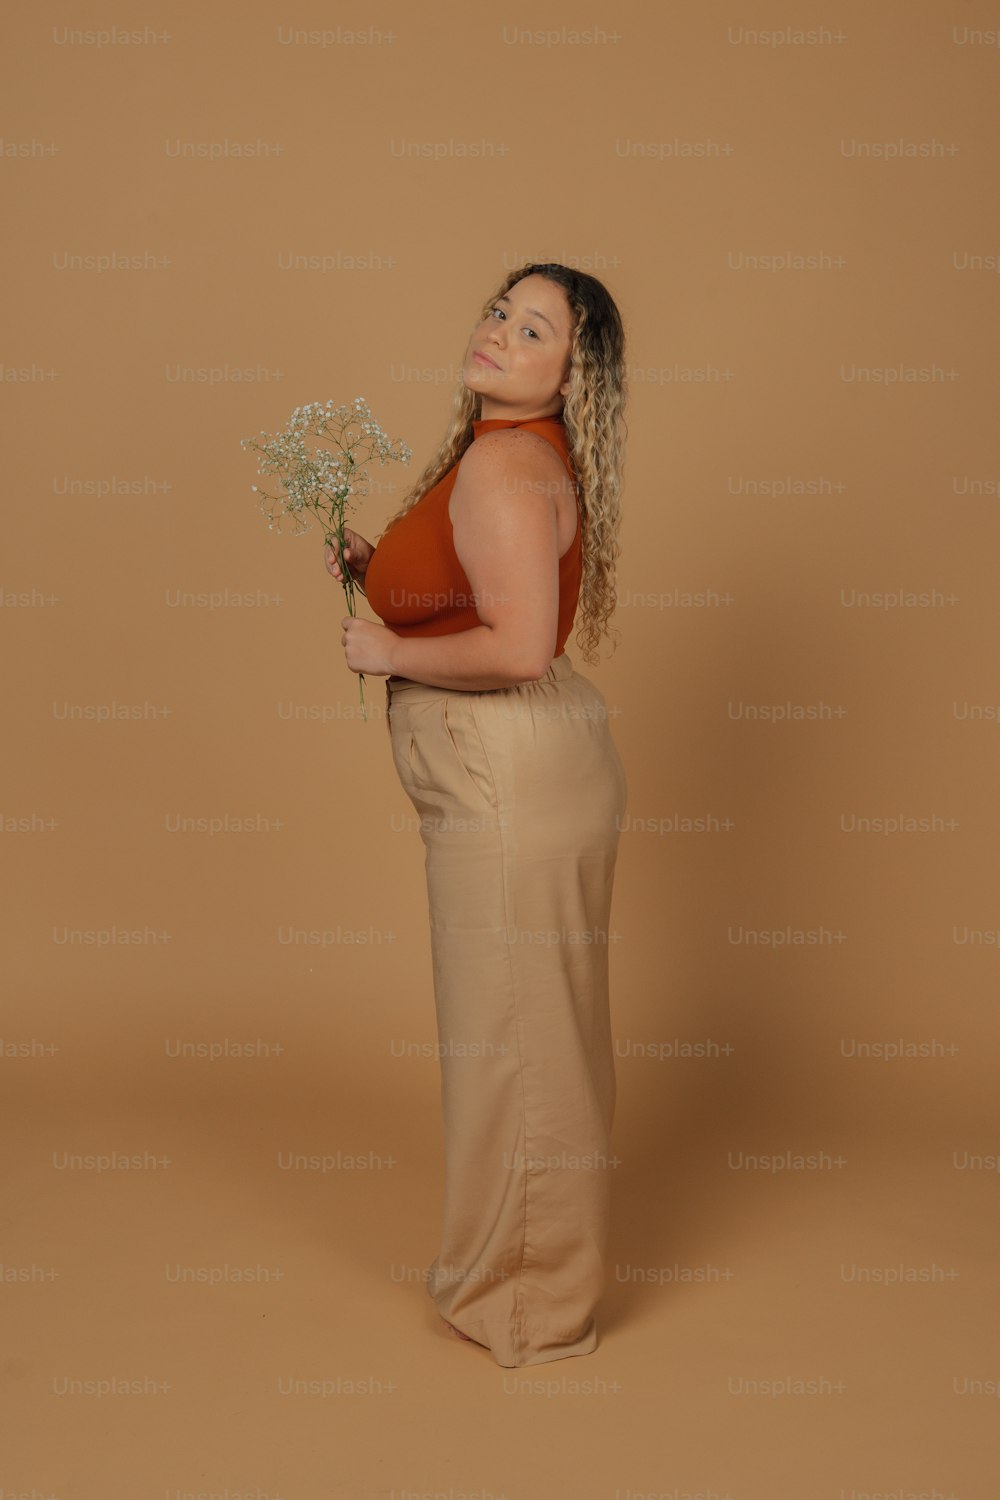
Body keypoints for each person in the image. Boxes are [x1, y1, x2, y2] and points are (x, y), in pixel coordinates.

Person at [325, 262, 629, 1367]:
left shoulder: (504, 470)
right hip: (518, 773)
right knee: (523, 1033)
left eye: (533, 327)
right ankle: (518, 1279)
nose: (499, 331)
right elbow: (493, 596)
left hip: (509, 780)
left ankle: (530, 1310)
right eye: (501, 309)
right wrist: (381, 572)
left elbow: (511, 646)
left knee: (518, 1044)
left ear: (569, 370)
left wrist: (392, 649)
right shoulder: (503, 455)